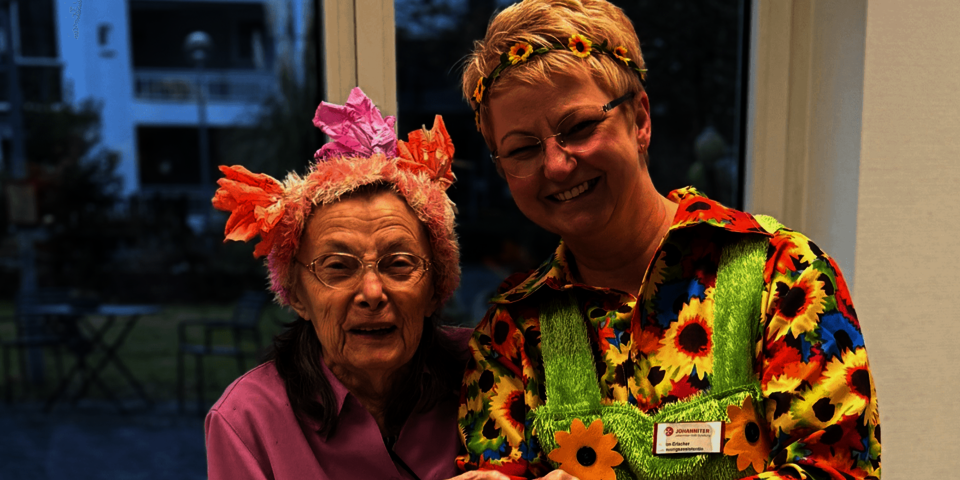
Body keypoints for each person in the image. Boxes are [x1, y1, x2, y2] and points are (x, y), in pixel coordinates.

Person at [455, 1, 881, 479]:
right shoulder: (510, 336)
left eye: (578, 128)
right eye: (521, 149)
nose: (555, 165)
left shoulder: (784, 277)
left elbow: (838, 470)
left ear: (640, 120)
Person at [204, 87, 469, 480]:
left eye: (399, 264)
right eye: (338, 267)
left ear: (436, 287)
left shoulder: (490, 369)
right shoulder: (246, 421)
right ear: (297, 295)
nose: (372, 294)